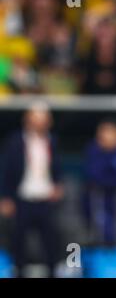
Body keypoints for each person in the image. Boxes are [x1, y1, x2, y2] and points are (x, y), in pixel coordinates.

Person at [0, 102, 63, 278]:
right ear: (27, 120)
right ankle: (19, 271)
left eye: (44, 120)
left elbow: (56, 167)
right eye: (36, 119)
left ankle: (53, 271)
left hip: (45, 198)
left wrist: (58, 184)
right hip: (23, 198)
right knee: (18, 239)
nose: (40, 123)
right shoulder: (15, 142)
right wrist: (5, 197)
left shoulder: (52, 141)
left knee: (51, 240)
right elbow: (7, 171)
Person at [82, 119, 116, 246]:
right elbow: (94, 175)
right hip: (97, 195)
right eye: (103, 133)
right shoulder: (93, 149)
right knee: (99, 225)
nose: (106, 137)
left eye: (110, 133)